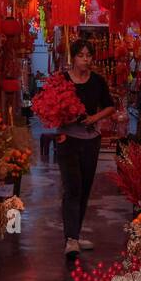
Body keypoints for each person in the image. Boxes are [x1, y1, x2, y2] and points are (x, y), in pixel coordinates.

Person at [55, 39, 115, 264]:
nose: (86, 59)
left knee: (85, 188)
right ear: (73, 57)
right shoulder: (62, 80)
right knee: (72, 187)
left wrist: (94, 118)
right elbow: (49, 107)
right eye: (81, 55)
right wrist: (65, 116)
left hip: (91, 139)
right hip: (67, 139)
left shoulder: (97, 81)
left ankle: (75, 236)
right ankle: (71, 238)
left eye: (89, 55)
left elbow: (109, 106)